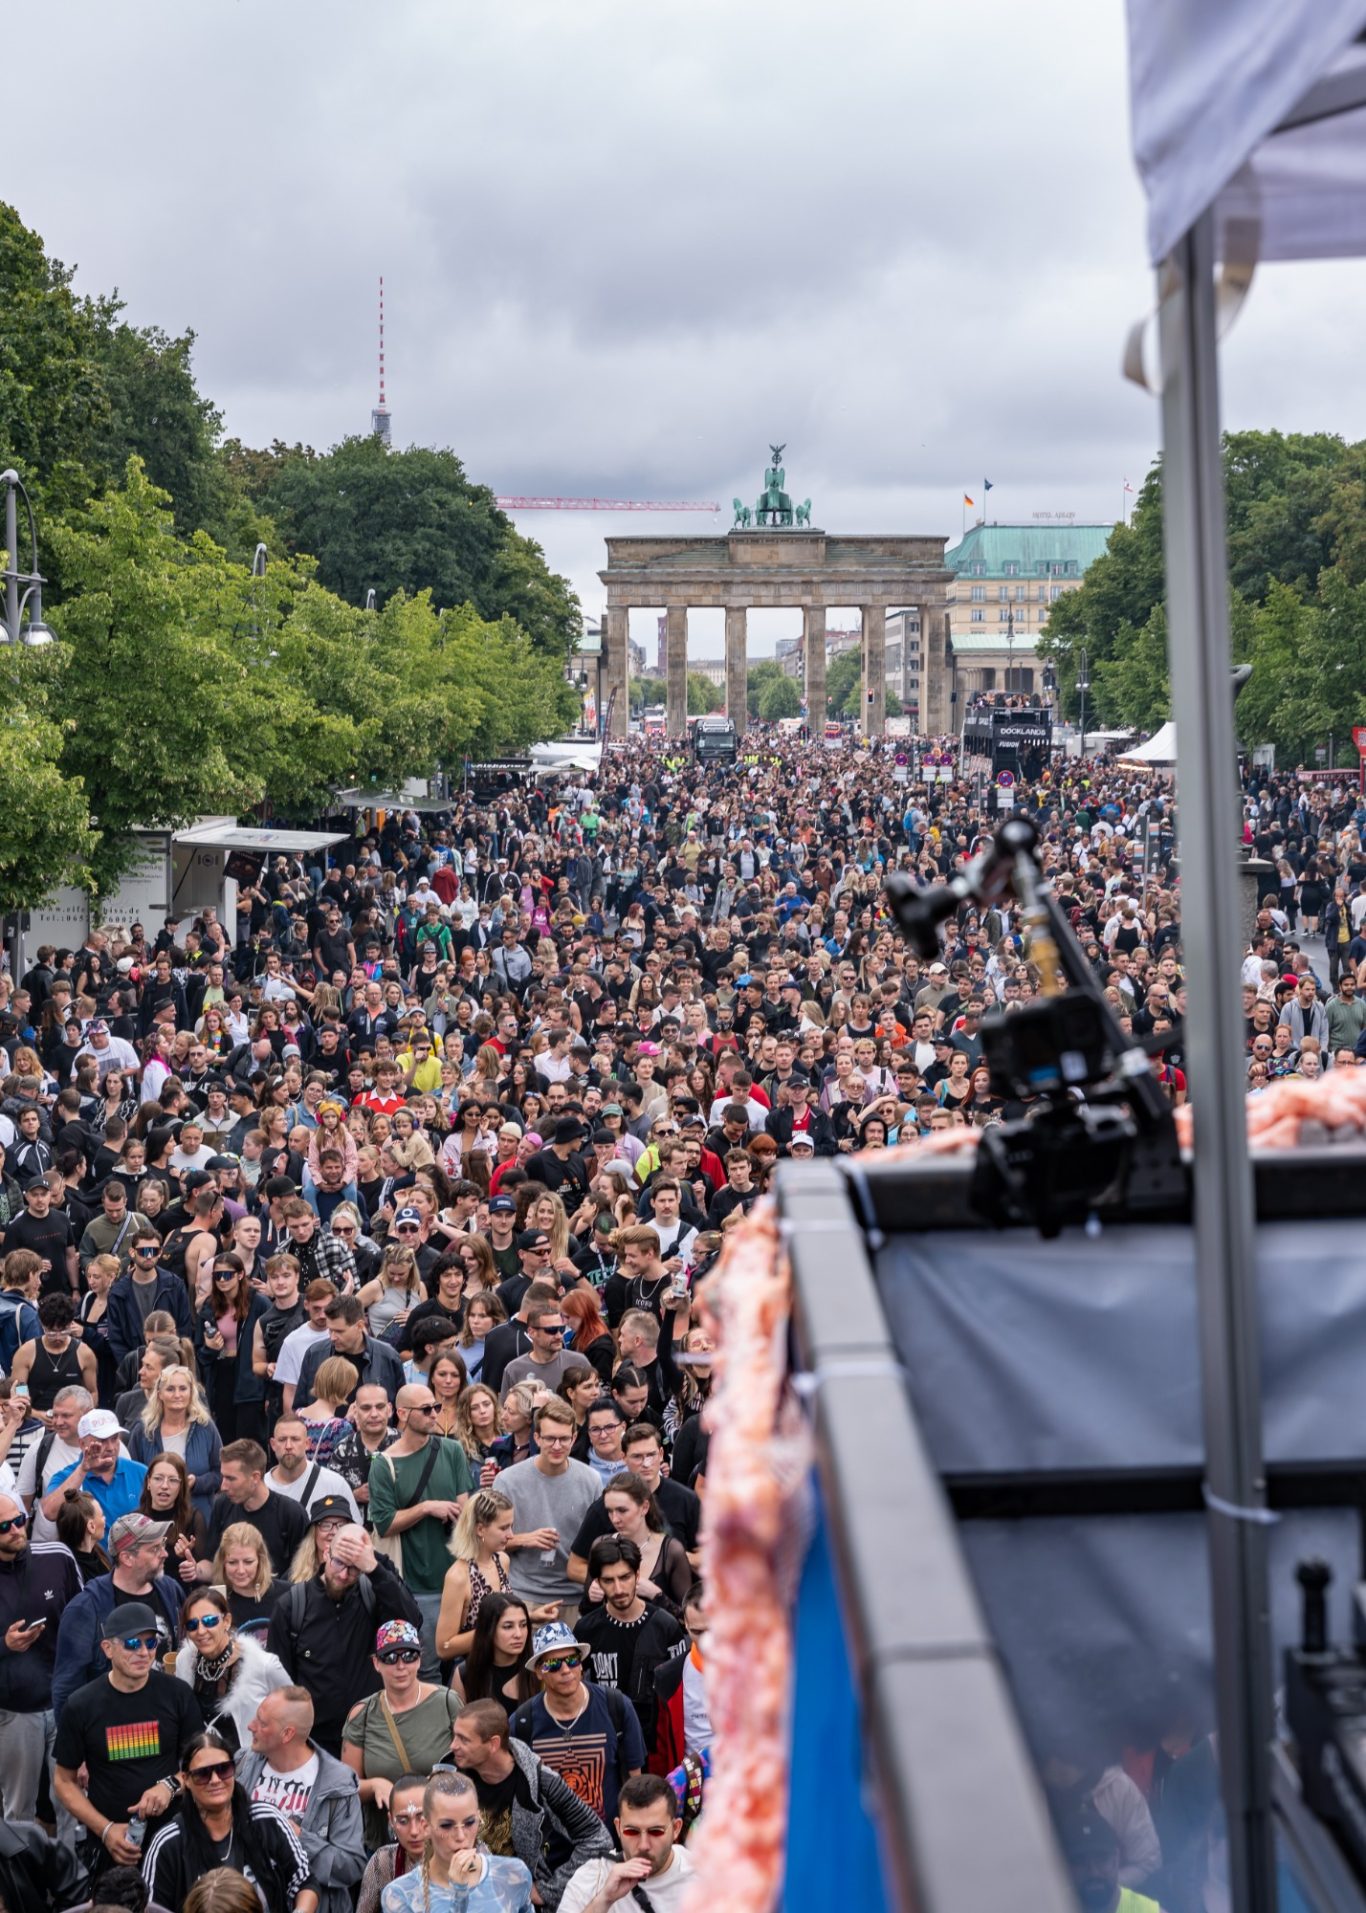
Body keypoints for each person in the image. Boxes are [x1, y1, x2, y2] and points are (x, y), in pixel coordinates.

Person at [52, 1600, 204, 1878]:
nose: (143, 1652)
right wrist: (105, 1829)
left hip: (173, 1837)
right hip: (110, 1845)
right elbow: (63, 1781)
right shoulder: (82, 1704)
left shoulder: (177, 1694)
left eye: (151, 1643)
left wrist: (169, 1786)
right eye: (132, 1643)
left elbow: (202, 1765)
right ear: (107, 1649)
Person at [266, 1521, 423, 1756]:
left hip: (371, 1733)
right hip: (316, 1738)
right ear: (326, 1552)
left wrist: (375, 1569)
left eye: (353, 1568)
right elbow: (278, 1679)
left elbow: (411, 1623)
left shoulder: (372, 1593)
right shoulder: (292, 1606)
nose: (342, 1574)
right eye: (338, 1562)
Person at [449, 1697, 613, 1907]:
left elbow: (598, 1840)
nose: (453, 1746)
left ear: (493, 1744)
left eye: (464, 1740)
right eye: (454, 1736)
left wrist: (547, 1891)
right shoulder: (449, 1778)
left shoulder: (542, 1783)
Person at [140, 1724, 316, 1913]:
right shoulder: (168, 1842)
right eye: (202, 1774)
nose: (215, 1780)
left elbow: (305, 1881)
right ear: (187, 1779)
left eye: (223, 1769)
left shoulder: (268, 1820)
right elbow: (152, 1908)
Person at [239, 1684, 368, 1913]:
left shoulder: (337, 1784)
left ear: (287, 1734)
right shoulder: (243, 1764)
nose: (251, 1726)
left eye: (262, 1722)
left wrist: (297, 1838)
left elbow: (351, 1867)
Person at [506, 1623, 645, 1835]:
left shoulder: (616, 1706)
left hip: (608, 1845)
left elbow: (635, 1781)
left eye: (572, 1660)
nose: (565, 1670)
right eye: (553, 1664)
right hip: (550, 1851)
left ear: (581, 1665)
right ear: (539, 1672)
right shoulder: (522, 1722)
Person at [51, 1509, 189, 1718]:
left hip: (166, 1720)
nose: (165, 1553)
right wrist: (77, 1744)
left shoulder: (170, 1590)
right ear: (127, 1557)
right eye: (154, 1549)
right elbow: (66, 1688)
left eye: (162, 1545)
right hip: (113, 1727)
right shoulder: (85, 1608)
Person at [340, 1618, 464, 1848]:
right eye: (390, 1657)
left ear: (420, 1659)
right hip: (388, 1842)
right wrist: (376, 1785)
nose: (401, 1665)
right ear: (376, 1663)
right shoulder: (362, 1713)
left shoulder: (447, 1702)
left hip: (443, 1836)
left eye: (409, 1656)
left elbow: (471, 1764)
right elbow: (347, 1784)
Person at [0, 1487, 82, 1822]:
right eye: (4, 1526)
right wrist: (4, 1645)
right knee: (18, 1807)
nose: (16, 1530)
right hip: (15, 1710)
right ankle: (18, 1874)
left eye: (19, 1520)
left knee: (70, 1804)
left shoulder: (57, 1556)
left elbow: (84, 1616)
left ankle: (72, 1873)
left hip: (65, 1703)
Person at [572, 1539, 687, 1747]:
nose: (618, 1588)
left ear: (637, 1575)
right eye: (608, 1580)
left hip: (655, 1743)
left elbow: (681, 1692)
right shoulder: (586, 1630)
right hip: (603, 1738)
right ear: (597, 1581)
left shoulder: (665, 1626)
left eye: (624, 1577)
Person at [497, 1399, 602, 1626]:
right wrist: (524, 1539)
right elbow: (487, 1542)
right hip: (524, 1594)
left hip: (574, 1597)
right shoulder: (508, 1480)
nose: (557, 1446)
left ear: (574, 1438)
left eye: (564, 1439)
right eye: (550, 1438)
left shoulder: (591, 1480)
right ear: (536, 1438)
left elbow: (599, 1542)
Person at [380, 1767, 534, 1912]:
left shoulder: (513, 1873)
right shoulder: (401, 1894)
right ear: (426, 1826)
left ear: (479, 1818)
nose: (461, 1836)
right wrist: (459, 1894)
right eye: (446, 1825)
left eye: (469, 1822)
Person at [173, 1586, 291, 1752]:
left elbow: (294, 1712)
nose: (201, 1631)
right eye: (192, 1625)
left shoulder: (263, 1665)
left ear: (226, 1621)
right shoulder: (185, 1661)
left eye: (209, 1621)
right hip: (204, 1768)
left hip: (249, 1768)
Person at [557, 1772, 695, 1913]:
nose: (643, 1845)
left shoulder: (701, 1876)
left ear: (676, 1829)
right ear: (618, 1827)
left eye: (655, 1832)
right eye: (632, 1831)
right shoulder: (593, 1878)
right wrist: (604, 1899)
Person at [201, 1439, 311, 1579]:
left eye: (231, 1478)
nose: (223, 1486)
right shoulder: (222, 1505)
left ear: (255, 1477)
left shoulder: (291, 1514)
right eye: (223, 1477)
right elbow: (212, 1563)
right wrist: (195, 1570)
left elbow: (303, 1570)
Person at [129, 1363, 223, 1523]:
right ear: (159, 1394)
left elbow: (220, 1472)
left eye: (183, 1388)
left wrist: (197, 1483)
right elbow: (133, 1475)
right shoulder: (143, 1430)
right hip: (153, 1517)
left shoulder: (206, 1427)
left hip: (198, 1516)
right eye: (170, 1389)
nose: (177, 1394)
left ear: (191, 1392)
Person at [44, 1406, 147, 1528]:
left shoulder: (141, 1472)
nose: (110, 1447)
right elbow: (50, 1513)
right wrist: (82, 1470)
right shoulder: (67, 1476)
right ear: (82, 1444)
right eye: (102, 1440)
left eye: (114, 1439)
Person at [450, 1591, 540, 1719]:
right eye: (508, 1627)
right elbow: (459, 1726)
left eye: (523, 1625)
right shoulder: (466, 1673)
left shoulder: (538, 1667)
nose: (518, 1634)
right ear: (489, 1630)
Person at [264, 1413, 360, 1524]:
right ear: (273, 1444)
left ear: (307, 1443)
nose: (288, 1446)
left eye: (295, 1439)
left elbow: (355, 1530)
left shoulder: (334, 1484)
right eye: (282, 1440)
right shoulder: (261, 1488)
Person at [7, 1291, 98, 1405]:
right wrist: (35, 1414)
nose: (58, 1337)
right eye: (51, 1332)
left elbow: (92, 1393)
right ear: (43, 1326)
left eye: (64, 1331)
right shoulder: (26, 1353)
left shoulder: (85, 1354)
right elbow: (19, 1394)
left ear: (71, 1324)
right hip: (36, 1419)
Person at [357, 1771, 429, 1913]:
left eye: (422, 1818)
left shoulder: (464, 1855)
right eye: (403, 1821)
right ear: (391, 1821)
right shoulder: (382, 1861)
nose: (414, 1831)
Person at [210, 1519, 289, 1636]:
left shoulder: (289, 1595)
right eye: (232, 1562)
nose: (241, 1570)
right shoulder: (214, 1602)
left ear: (260, 1560)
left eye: (248, 1562)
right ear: (222, 1563)